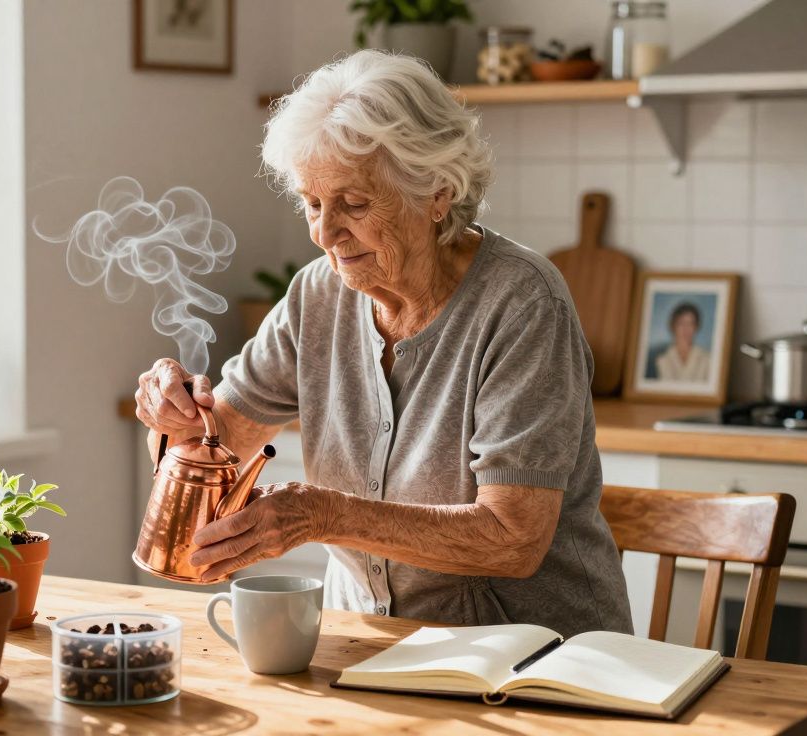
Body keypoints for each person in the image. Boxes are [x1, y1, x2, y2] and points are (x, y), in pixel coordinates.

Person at [133, 50, 631, 636]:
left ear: (437, 191)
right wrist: (178, 419)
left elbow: (512, 539)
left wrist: (322, 514)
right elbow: (221, 444)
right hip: (369, 645)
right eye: (312, 204)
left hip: (531, 658)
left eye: (354, 203)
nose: (324, 233)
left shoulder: (523, 302)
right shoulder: (316, 296)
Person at [653, 302, 710, 383]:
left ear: (696, 327)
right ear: (673, 326)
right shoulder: (661, 359)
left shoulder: (707, 359)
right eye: (681, 323)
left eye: (690, 324)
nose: (685, 329)